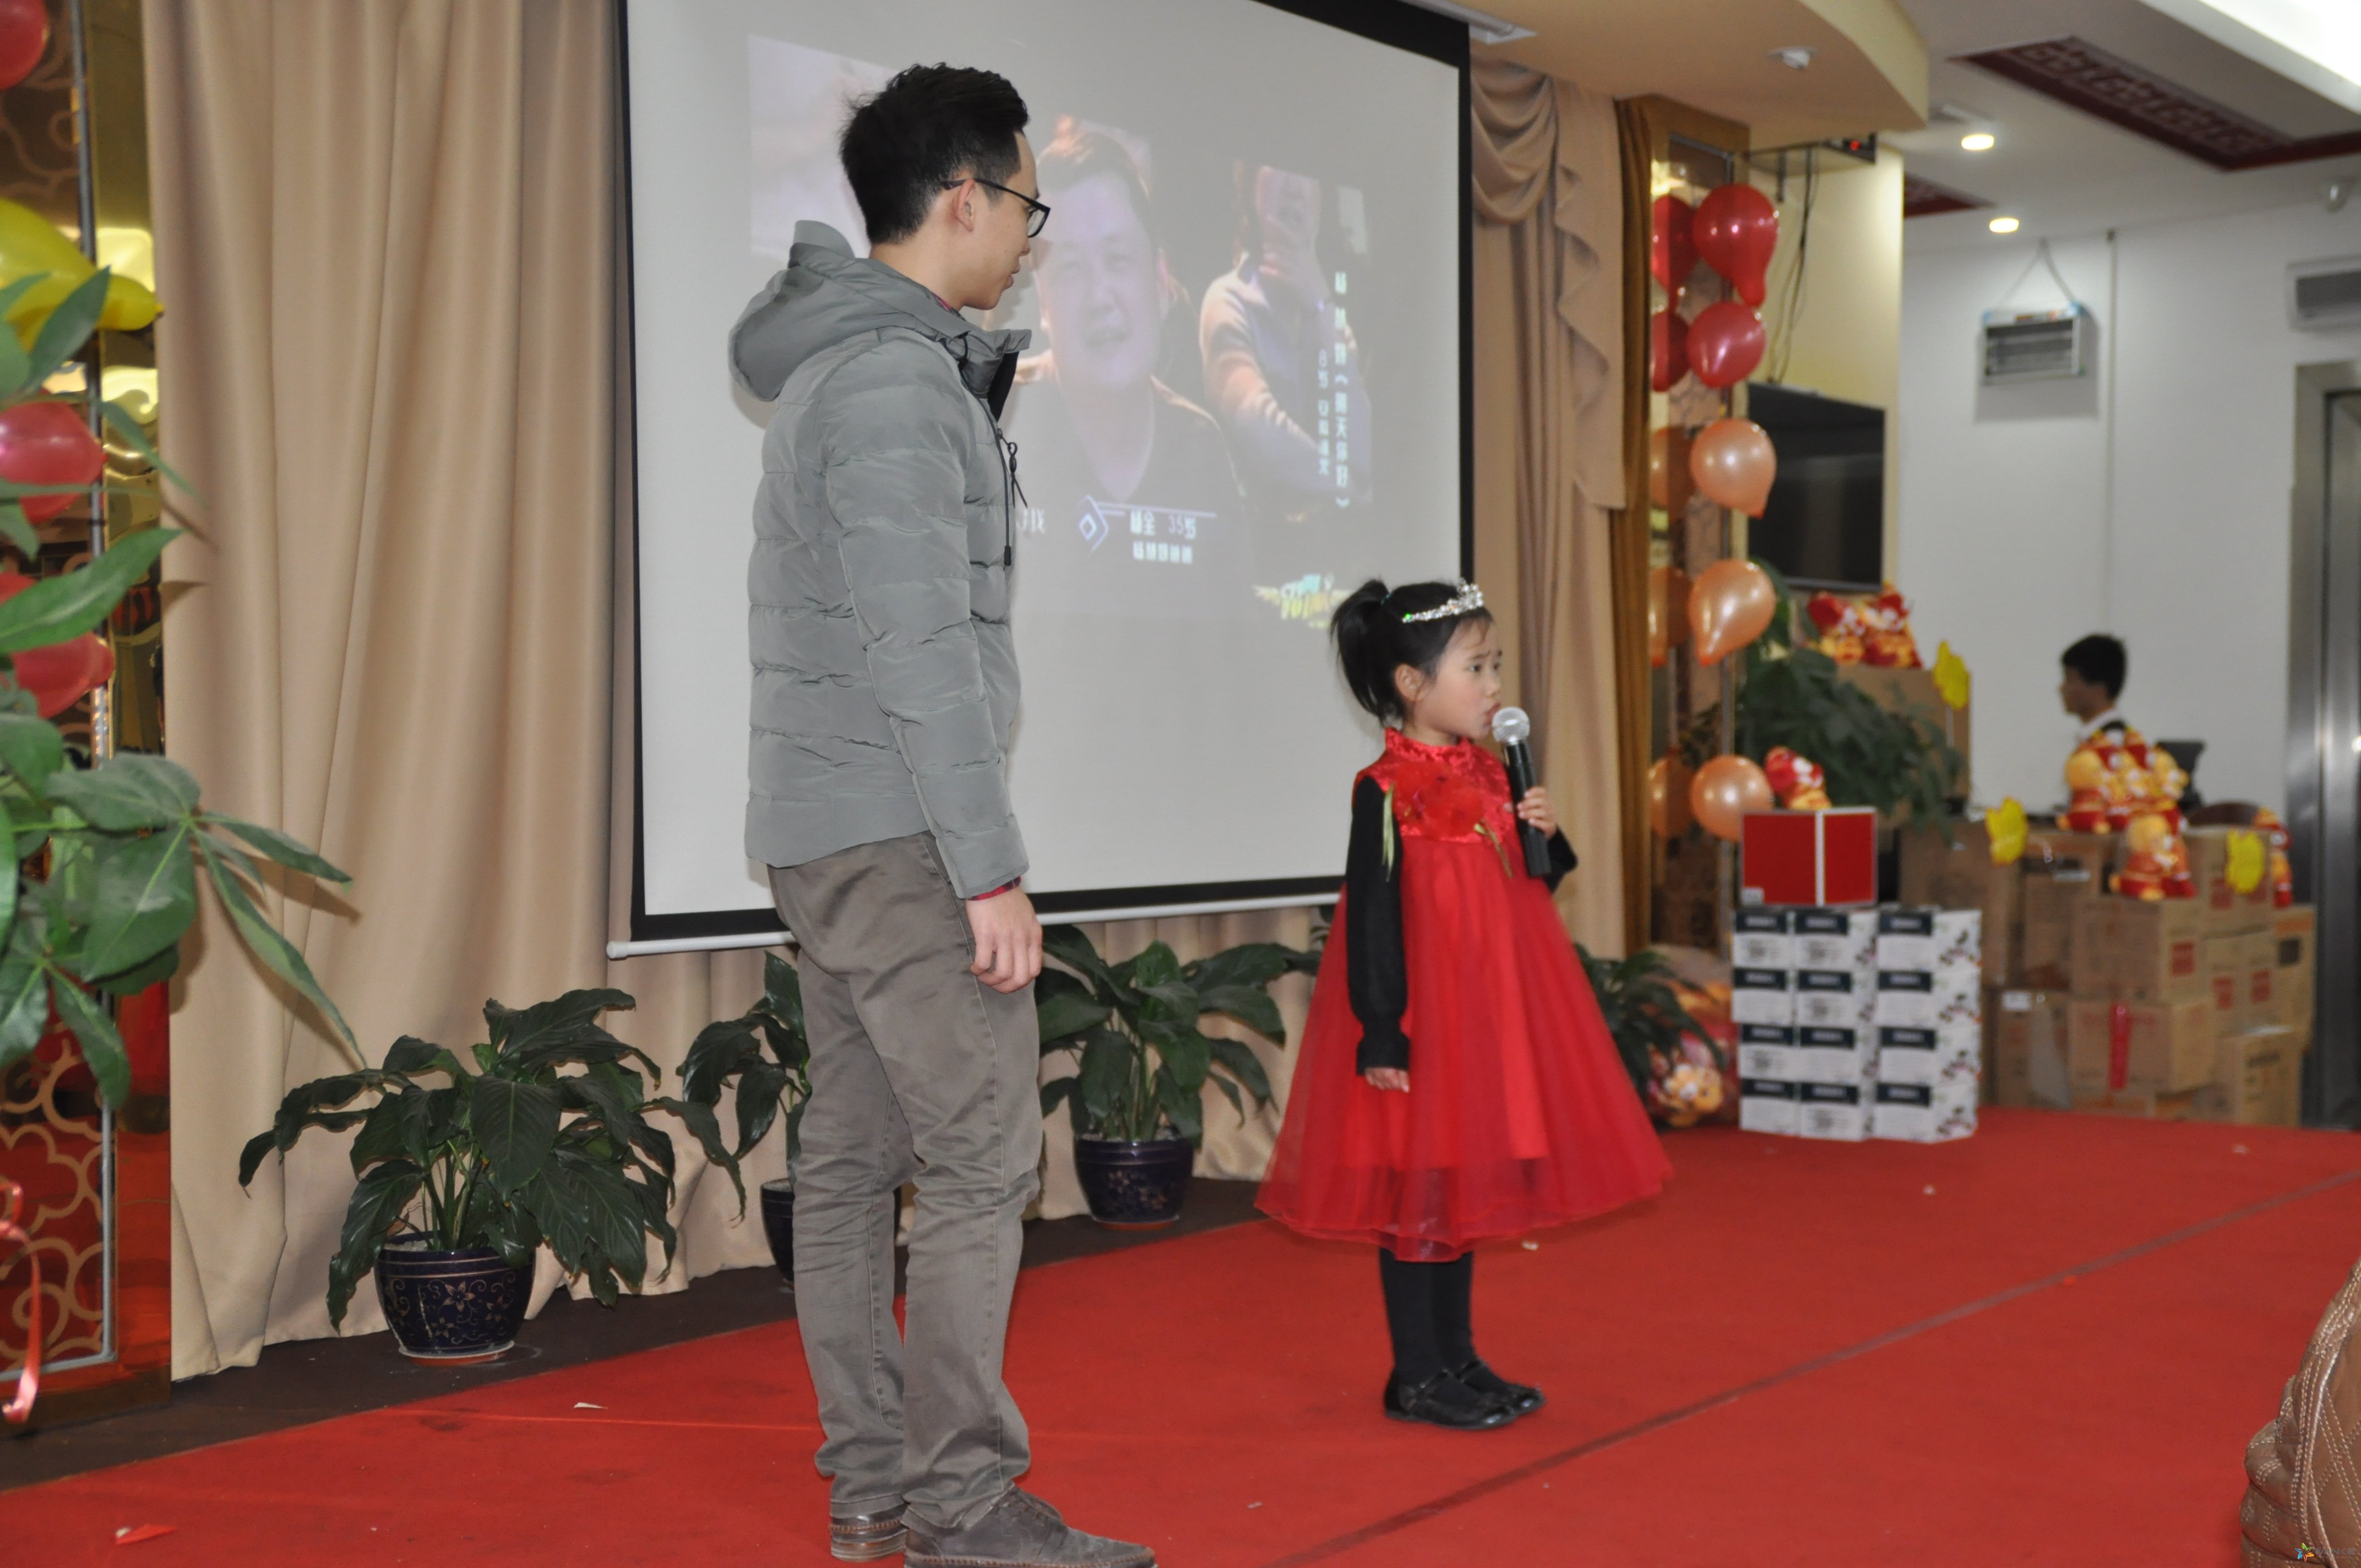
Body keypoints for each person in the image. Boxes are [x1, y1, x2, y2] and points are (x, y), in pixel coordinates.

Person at [727, 64, 1151, 1568]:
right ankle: (962, 1504)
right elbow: (919, 652)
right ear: (963, 198)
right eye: (1028, 202)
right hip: (901, 835)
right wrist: (988, 869)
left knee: (851, 1164)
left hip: (827, 830)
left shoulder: (852, 371)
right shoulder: (898, 385)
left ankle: (875, 1489)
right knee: (977, 1161)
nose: (1034, 234)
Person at [1256, 579, 1671, 1430]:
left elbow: (1533, 882)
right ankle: (1415, 1375)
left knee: (1460, 1188)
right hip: (1418, 1023)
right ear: (1412, 685)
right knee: (1417, 1192)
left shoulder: (1490, 770)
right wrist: (1381, 1031)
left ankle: (1458, 1358)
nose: (1494, 686)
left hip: (1482, 1018)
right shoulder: (1385, 787)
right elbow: (1372, 915)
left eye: (1497, 666)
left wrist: (1545, 834)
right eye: (1475, 668)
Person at [1005, 119, 1249, 621]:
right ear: (1044, 302)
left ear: (1160, 279)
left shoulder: (1201, 448)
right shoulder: (999, 418)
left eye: (1118, 260)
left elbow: (1233, 640)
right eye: (1071, 269)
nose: (1101, 298)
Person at [1198, 165, 1373, 546]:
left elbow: (1362, 452)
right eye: (1280, 169)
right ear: (1251, 187)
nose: (1295, 188)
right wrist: (1347, 488)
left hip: (1335, 551)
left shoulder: (1329, 317)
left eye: (1308, 175)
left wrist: (1321, 304)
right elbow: (1259, 427)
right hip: (1256, 546)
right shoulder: (1226, 302)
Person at [2059, 633, 2129, 745]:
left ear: (2098, 687)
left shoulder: (2108, 746)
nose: (2062, 688)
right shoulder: (2130, 742)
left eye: (2070, 679)